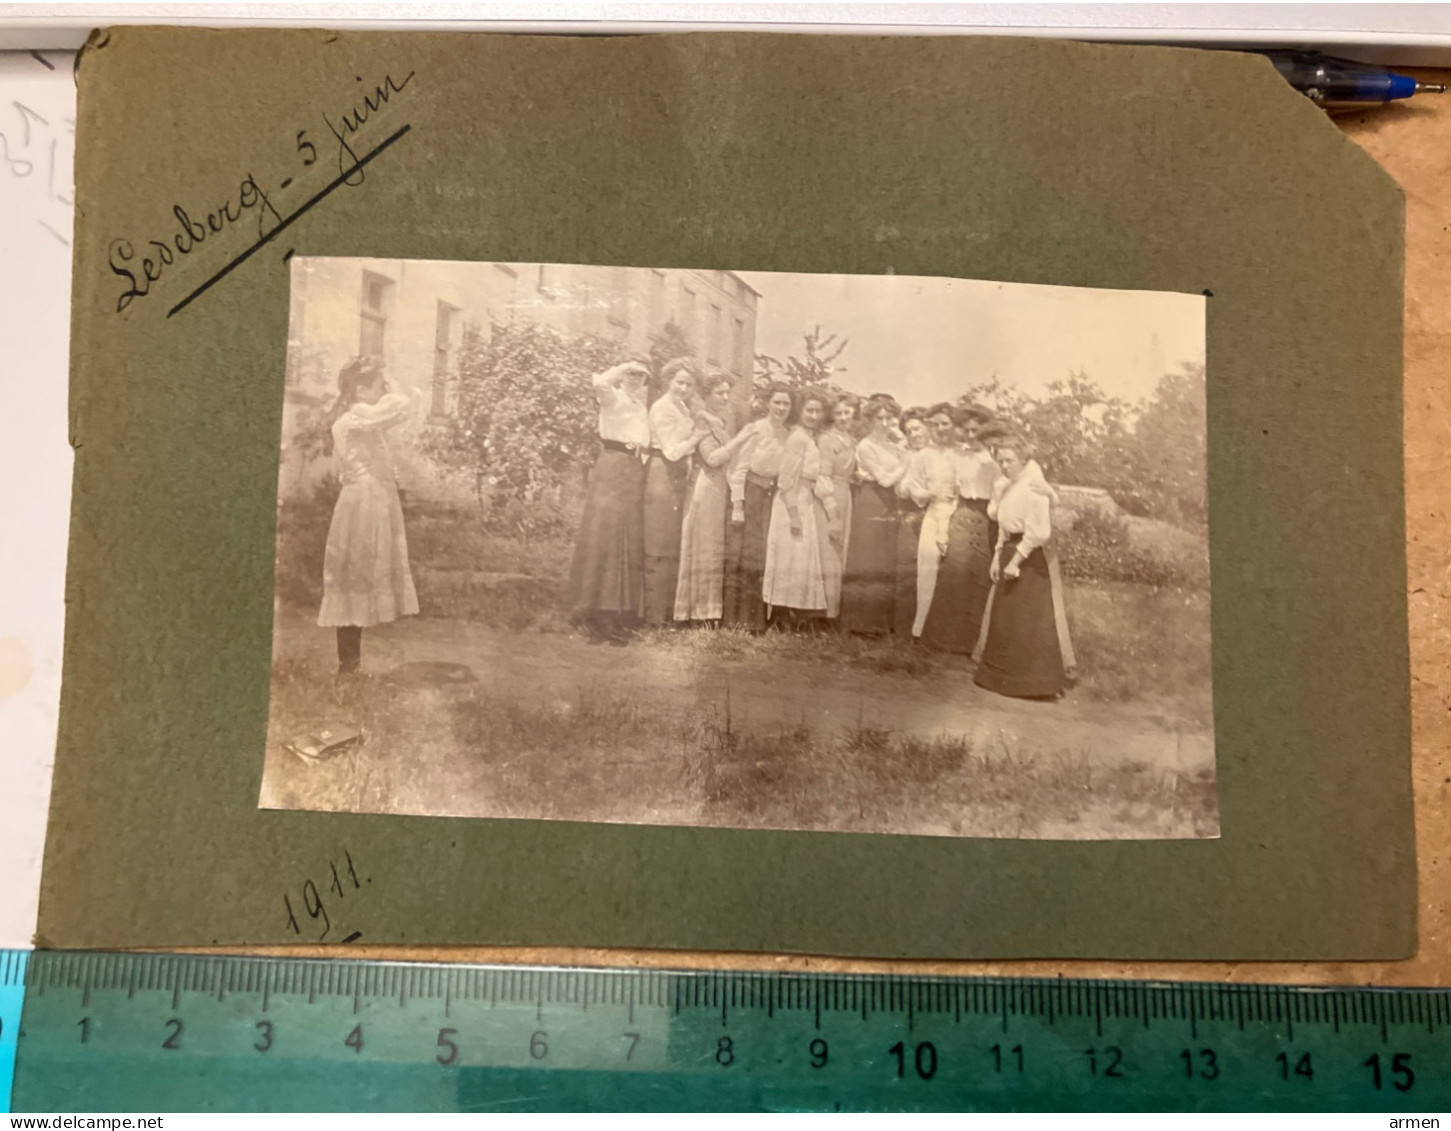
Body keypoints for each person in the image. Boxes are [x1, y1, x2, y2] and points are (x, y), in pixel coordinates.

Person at [316, 356, 420, 674]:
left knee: (352, 579)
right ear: (360, 391)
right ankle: (348, 667)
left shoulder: (359, 418)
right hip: (363, 506)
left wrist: (381, 380)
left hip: (365, 502)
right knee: (353, 578)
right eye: (379, 386)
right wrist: (394, 382)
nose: (384, 390)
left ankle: (350, 666)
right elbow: (401, 406)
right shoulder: (359, 415)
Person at [974, 436, 1073, 698]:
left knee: (1028, 620)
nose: (1005, 465)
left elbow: (1039, 532)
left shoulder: (1034, 488)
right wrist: (997, 558)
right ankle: (1000, 678)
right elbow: (1003, 529)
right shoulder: (1006, 487)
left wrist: (1015, 561)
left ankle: (1034, 684)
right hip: (1008, 550)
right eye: (1001, 460)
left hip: (1028, 559)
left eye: (1010, 460)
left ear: (1024, 460)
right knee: (1006, 620)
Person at [566, 359, 653, 643]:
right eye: (630, 374)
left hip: (633, 470)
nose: (634, 378)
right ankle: (594, 614)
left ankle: (618, 614)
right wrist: (625, 363)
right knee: (606, 534)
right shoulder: (612, 397)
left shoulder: (641, 407)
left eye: (640, 375)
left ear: (645, 381)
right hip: (612, 467)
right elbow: (600, 382)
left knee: (626, 538)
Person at [920, 404, 1000, 654]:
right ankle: (944, 641)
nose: (971, 435)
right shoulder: (958, 458)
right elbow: (948, 495)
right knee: (955, 575)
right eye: (966, 430)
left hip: (988, 518)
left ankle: (973, 641)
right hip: (962, 516)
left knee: (981, 579)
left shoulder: (996, 461)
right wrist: (943, 530)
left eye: (976, 430)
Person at [673, 370, 750, 622]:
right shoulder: (703, 421)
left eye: (728, 392)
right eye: (720, 393)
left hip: (720, 489)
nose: (725, 397)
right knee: (703, 545)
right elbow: (712, 458)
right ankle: (694, 611)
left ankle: (709, 611)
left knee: (714, 547)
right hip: (705, 486)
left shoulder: (721, 420)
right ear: (707, 395)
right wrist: (740, 440)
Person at [643, 358, 709, 626]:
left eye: (689, 384)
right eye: (679, 382)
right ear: (668, 380)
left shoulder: (682, 407)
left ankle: (668, 613)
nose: (684, 388)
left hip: (678, 474)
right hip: (663, 472)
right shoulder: (661, 408)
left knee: (673, 543)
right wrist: (697, 437)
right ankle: (653, 617)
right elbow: (671, 450)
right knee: (659, 543)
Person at [722, 382, 793, 631]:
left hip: (771, 498)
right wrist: (738, 505)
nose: (781, 408)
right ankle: (735, 620)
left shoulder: (787, 434)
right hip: (750, 495)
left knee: (764, 556)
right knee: (745, 554)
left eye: (786, 404)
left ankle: (757, 621)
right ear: (767, 404)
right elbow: (738, 469)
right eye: (777, 402)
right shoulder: (755, 429)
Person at [762, 388, 835, 624]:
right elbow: (785, 480)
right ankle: (780, 616)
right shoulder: (798, 438)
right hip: (790, 502)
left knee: (799, 558)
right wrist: (793, 514)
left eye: (818, 411)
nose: (813, 415)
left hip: (805, 500)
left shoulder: (809, 437)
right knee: (787, 557)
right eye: (809, 410)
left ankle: (793, 613)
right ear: (800, 411)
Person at [840, 395, 908, 635]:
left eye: (889, 418)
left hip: (889, 502)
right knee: (868, 558)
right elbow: (885, 479)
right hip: (871, 501)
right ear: (870, 419)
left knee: (885, 559)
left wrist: (902, 451)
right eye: (879, 418)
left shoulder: (892, 445)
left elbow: (894, 478)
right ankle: (859, 622)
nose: (884, 422)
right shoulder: (865, 446)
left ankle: (880, 622)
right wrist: (907, 460)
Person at [898, 403, 959, 642]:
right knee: (927, 570)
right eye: (935, 424)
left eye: (945, 424)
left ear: (954, 426)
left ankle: (949, 633)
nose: (940, 429)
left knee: (955, 574)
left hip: (959, 515)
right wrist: (926, 493)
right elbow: (910, 485)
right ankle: (919, 631)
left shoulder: (962, 452)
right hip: (934, 513)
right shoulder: (925, 455)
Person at [815, 394, 859, 619]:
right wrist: (832, 513)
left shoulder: (851, 441)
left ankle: (835, 611)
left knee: (842, 550)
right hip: (829, 496)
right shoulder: (826, 439)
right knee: (828, 551)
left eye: (847, 412)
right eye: (839, 413)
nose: (843, 417)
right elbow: (822, 477)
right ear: (832, 415)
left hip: (846, 495)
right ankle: (823, 613)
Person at [892, 408, 932, 638]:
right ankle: (903, 630)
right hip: (910, 515)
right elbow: (899, 487)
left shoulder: (939, 454)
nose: (914, 434)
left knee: (931, 572)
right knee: (907, 569)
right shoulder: (906, 455)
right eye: (909, 431)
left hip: (936, 515)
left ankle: (926, 630)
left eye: (917, 428)